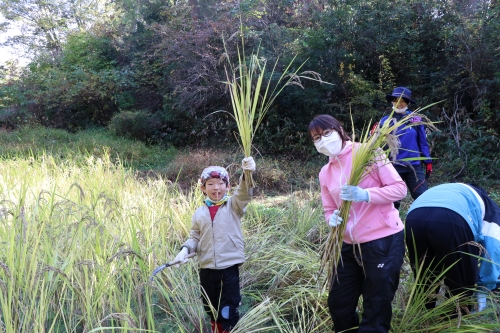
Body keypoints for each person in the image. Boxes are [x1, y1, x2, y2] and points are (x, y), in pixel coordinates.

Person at [309, 114, 407, 333]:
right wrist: (331, 220)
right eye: (316, 138)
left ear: (340, 130)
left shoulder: (368, 153)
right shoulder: (325, 172)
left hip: (382, 240)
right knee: (339, 304)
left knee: (377, 303)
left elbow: (400, 189)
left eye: (326, 133)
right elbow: (328, 208)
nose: (323, 140)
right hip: (347, 243)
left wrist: (365, 194)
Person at [174, 157, 256, 333]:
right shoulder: (199, 213)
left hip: (229, 269)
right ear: (203, 188)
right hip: (207, 269)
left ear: (227, 186)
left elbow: (244, 193)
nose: (216, 188)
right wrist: (185, 250)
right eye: (210, 184)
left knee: (228, 309)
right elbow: (194, 237)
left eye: (220, 183)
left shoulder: (234, 206)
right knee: (211, 307)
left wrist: (247, 174)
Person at [405, 183, 500, 312]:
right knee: (460, 281)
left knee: (424, 276)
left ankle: (419, 320)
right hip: (451, 217)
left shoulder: (453, 189)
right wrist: (484, 287)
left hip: (414, 217)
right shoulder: (491, 209)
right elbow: (493, 250)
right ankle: (452, 323)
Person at [378, 87, 432, 210]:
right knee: (392, 202)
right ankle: (393, 227)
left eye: (402, 101)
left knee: (423, 197)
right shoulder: (385, 121)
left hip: (414, 166)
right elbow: (378, 144)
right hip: (394, 167)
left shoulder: (416, 119)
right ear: (392, 102)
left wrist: (428, 161)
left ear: (407, 103)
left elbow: (423, 142)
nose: (399, 104)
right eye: (395, 100)